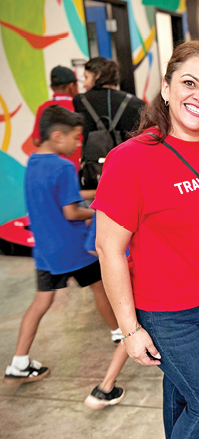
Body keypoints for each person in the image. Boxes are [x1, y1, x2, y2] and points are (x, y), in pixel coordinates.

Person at [92, 41, 199, 438]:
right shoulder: (131, 159)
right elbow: (108, 248)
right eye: (189, 83)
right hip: (169, 314)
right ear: (166, 87)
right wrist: (129, 329)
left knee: (181, 393)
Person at [3, 106, 119, 384]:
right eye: (75, 138)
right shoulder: (64, 166)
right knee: (100, 288)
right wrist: (100, 209)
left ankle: (19, 362)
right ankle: (120, 333)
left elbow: (64, 194)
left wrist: (98, 191)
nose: (78, 144)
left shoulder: (34, 162)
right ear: (57, 136)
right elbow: (71, 211)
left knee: (41, 302)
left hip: (45, 252)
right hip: (74, 249)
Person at [83, 212, 128, 409]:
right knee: (131, 332)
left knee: (130, 331)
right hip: (144, 278)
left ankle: (105, 388)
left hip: (123, 279)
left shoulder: (105, 205)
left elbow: (94, 247)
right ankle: (105, 386)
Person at [74, 58, 146, 146]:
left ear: (97, 75)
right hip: (126, 156)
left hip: (92, 158)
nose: (84, 84)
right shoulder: (136, 103)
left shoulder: (80, 100)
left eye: (86, 77)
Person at [31, 66, 81, 170]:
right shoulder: (78, 105)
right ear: (71, 86)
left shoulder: (44, 108)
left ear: (52, 87)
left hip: (49, 166)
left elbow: (36, 140)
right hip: (76, 165)